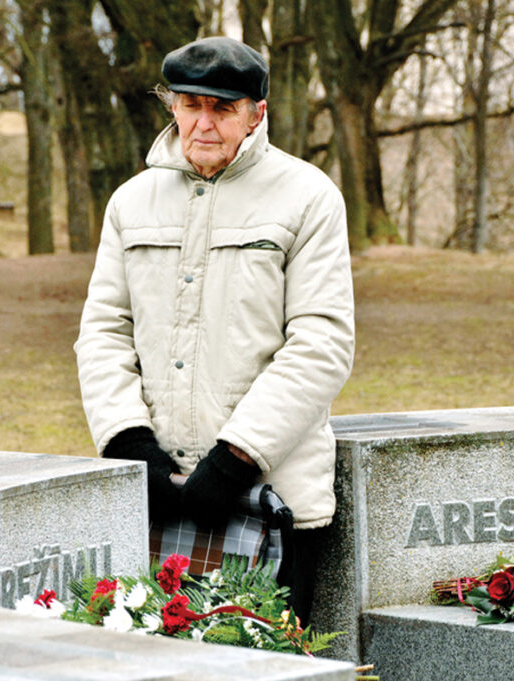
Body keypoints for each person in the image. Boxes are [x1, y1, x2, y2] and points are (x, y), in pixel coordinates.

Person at [74, 36, 354, 624]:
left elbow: (322, 344)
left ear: (257, 114)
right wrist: (130, 446)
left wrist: (234, 461)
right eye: (190, 104)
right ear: (170, 105)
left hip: (269, 499)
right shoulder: (130, 202)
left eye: (223, 108)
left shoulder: (309, 198)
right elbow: (103, 332)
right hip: (153, 497)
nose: (203, 123)